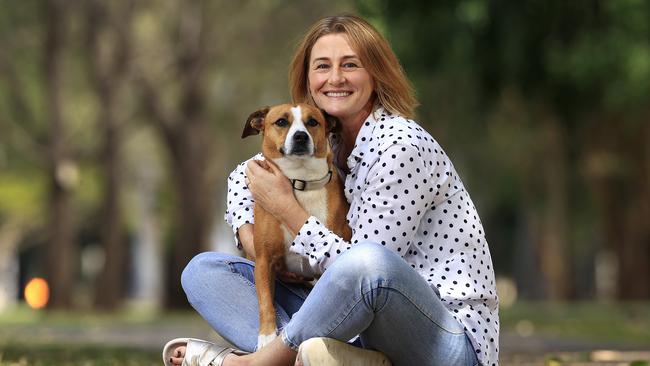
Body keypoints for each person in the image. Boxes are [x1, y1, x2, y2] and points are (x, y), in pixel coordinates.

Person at [164, 14, 499, 366]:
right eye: (322, 66)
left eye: (350, 65)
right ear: (308, 79)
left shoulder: (400, 144)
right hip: (360, 331)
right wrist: (254, 242)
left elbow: (365, 275)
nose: (335, 78)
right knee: (205, 273)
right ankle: (326, 358)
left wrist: (287, 211)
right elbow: (243, 176)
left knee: (367, 261)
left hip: (445, 342)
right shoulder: (326, 136)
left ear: (376, 74)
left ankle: (258, 362)